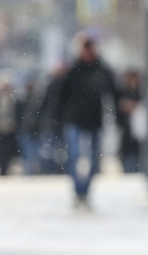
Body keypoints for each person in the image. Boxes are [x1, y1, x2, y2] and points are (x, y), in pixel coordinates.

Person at [58, 33, 120, 207]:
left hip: (94, 120)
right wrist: (58, 119)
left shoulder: (102, 70)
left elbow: (114, 93)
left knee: (94, 160)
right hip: (74, 120)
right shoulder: (73, 70)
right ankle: (78, 191)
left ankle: (85, 191)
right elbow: (61, 96)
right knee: (75, 156)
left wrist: (119, 117)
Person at [115, 69, 143, 173]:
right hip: (127, 131)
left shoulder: (141, 93)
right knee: (128, 155)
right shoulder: (123, 92)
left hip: (137, 131)